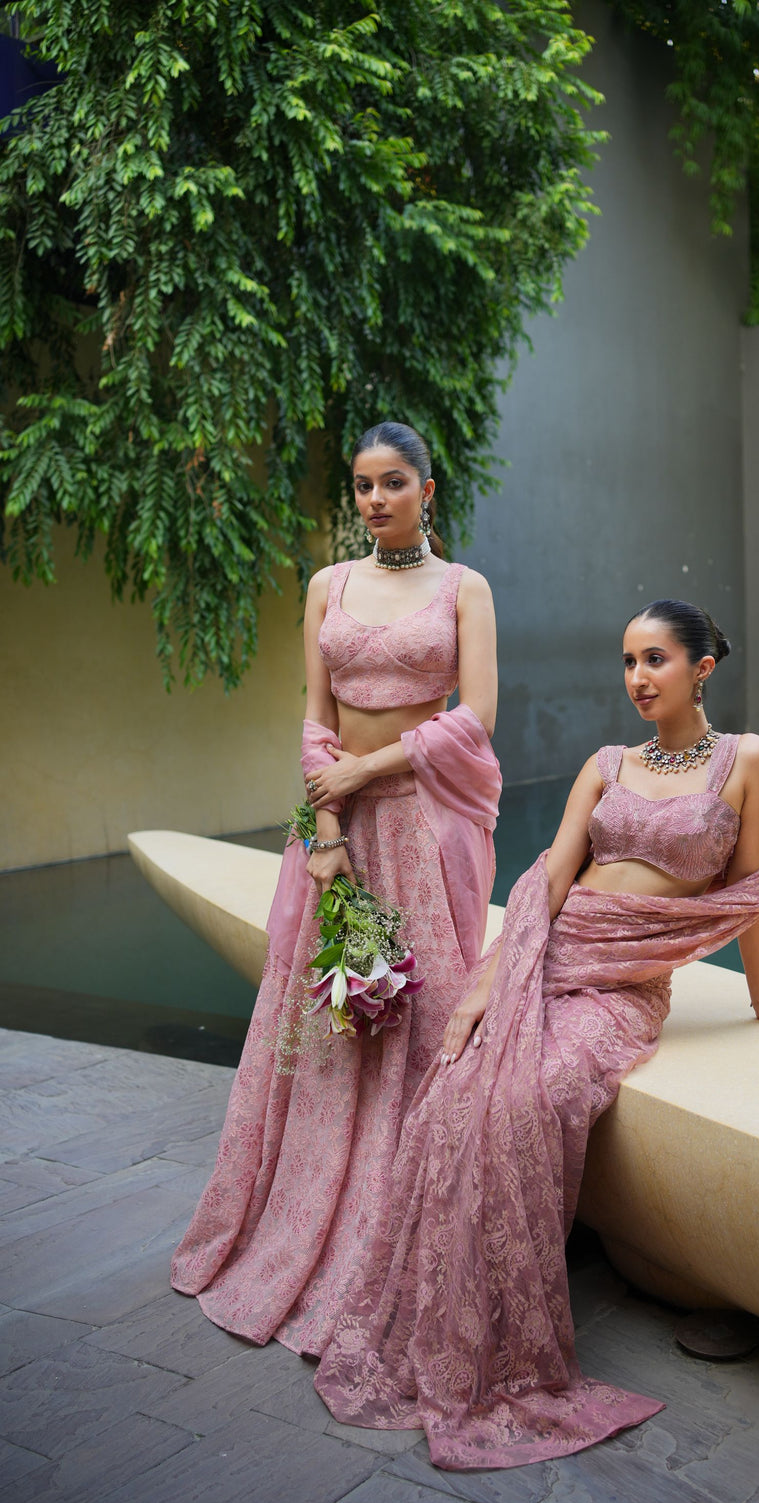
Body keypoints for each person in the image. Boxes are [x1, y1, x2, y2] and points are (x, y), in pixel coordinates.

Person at [312, 599, 759, 1469]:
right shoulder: (606, 763)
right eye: (628, 661)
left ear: (703, 667)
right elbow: (549, 880)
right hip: (548, 951)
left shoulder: (750, 761)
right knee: (461, 1086)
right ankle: (441, 1321)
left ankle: (503, 1341)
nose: (638, 678)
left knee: (539, 1092)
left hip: (625, 983)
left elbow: (748, 894)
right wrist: (486, 985)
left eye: (656, 660)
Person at [170, 421, 501, 1356]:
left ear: (427, 490)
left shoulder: (465, 590)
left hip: (423, 828)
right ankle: (304, 1220)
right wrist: (323, 828)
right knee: (333, 1021)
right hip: (339, 836)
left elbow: (474, 719)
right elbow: (315, 718)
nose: (376, 500)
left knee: (423, 1017)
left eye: (394, 482)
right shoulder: (327, 586)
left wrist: (368, 773)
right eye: (362, 485)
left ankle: (408, 1222)